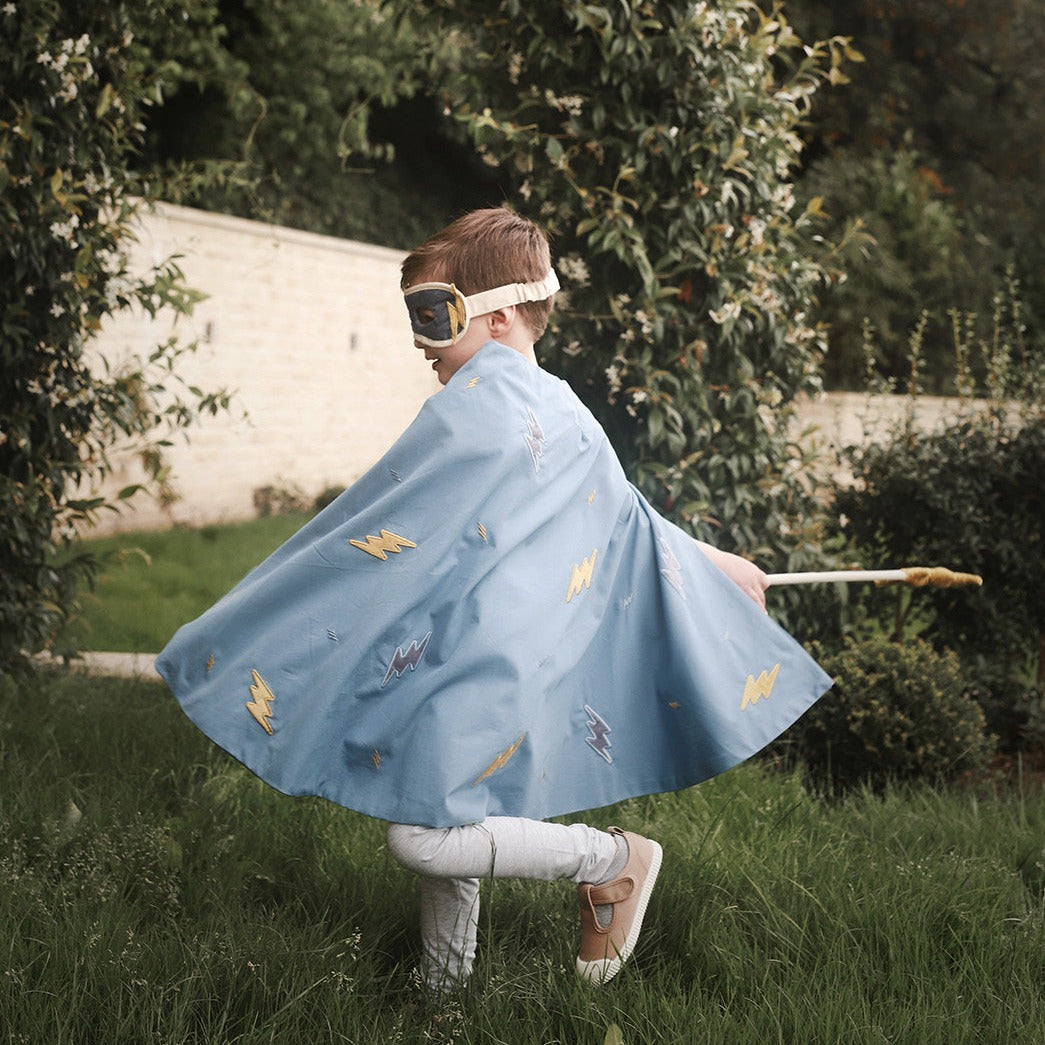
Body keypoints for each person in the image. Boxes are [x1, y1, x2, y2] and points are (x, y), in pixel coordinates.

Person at [156, 207, 831, 993]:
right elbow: (621, 512)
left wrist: (259, 618)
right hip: (478, 651)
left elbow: (375, 528)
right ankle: (444, 992)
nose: (422, 343)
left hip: (482, 656)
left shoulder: (483, 404)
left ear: (502, 314)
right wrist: (709, 558)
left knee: (424, 833)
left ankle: (611, 860)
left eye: (434, 316)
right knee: (446, 800)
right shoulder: (562, 403)